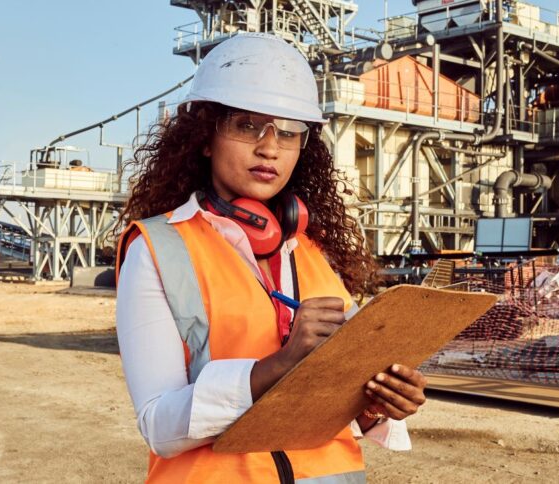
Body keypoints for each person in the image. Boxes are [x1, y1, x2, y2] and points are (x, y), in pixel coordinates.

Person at [115, 33, 427, 483]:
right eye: (247, 125)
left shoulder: (313, 253)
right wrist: (275, 368)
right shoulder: (157, 249)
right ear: (205, 137)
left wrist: (380, 402)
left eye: (288, 131)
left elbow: (340, 400)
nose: (270, 147)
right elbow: (159, 426)